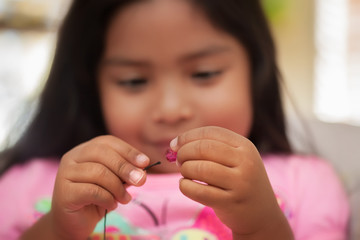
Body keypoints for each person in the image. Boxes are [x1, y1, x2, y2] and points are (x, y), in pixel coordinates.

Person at [0, 0, 349, 239]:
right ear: (91, 86)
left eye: (204, 74)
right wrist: (59, 230)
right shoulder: (27, 186)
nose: (170, 110)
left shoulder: (307, 182)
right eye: (134, 81)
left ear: (256, 73)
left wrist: (260, 227)